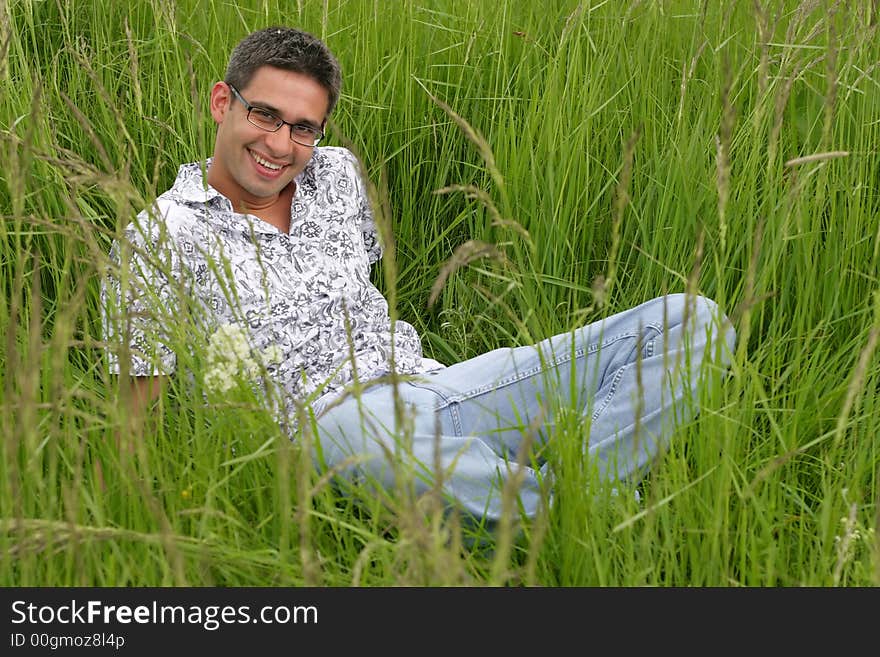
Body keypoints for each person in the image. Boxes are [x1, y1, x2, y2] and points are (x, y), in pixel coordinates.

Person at [102, 26, 736, 529]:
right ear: (222, 102)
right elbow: (138, 427)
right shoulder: (155, 243)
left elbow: (365, 291)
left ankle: (553, 494)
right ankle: (557, 513)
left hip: (442, 387)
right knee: (350, 432)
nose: (281, 144)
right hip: (326, 427)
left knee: (693, 320)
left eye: (303, 128)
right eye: (265, 115)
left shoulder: (337, 174)